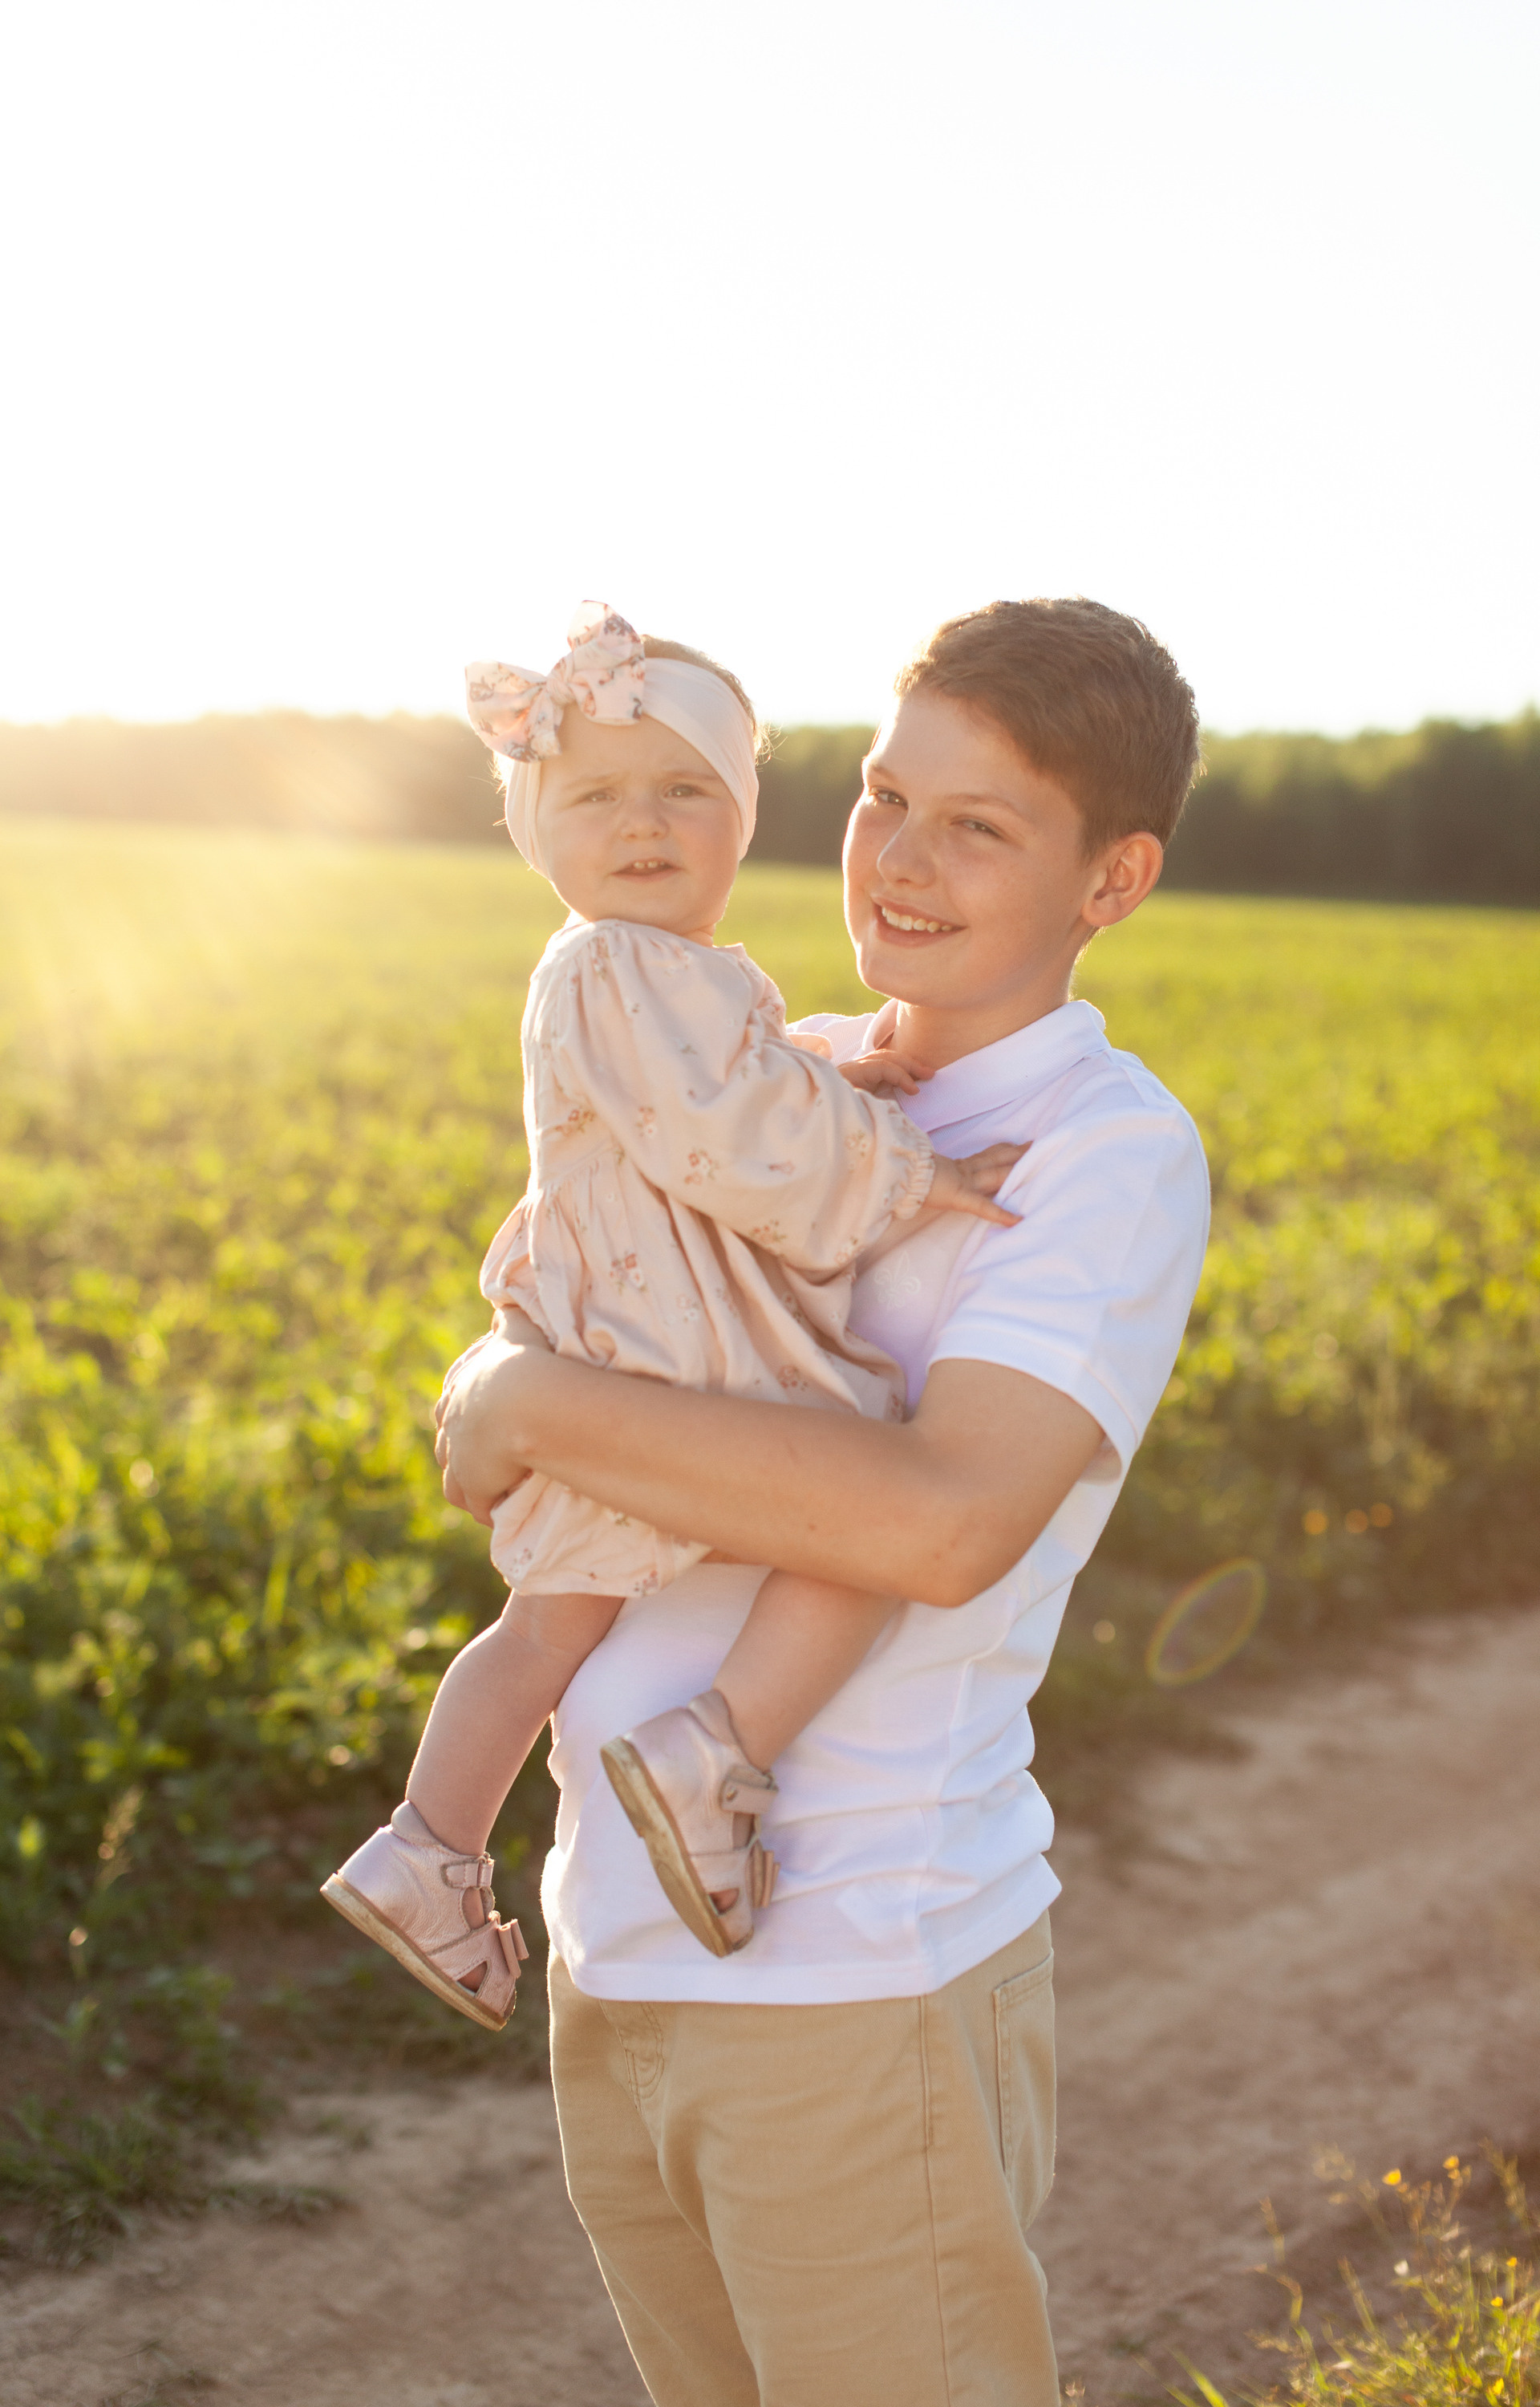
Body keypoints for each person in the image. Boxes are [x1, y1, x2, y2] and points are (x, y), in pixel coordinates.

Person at [435, 596, 1212, 2407]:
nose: (901, 862)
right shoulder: (781, 1084)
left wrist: (535, 1403)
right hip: (617, 1941)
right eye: (882, 797)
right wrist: (505, 1372)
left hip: (860, 1962)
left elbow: (938, 1522)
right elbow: (582, 1267)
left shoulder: (1100, 1155)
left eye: (981, 825)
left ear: (1113, 879)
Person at [321, 603, 1022, 2022]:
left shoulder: (668, 973)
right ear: (539, 832)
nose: (640, 824)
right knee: (873, 1486)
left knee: (548, 1624)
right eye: (592, 798)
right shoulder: (608, 963)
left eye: (683, 791)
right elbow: (726, 1135)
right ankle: (717, 1749)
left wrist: (835, 1088)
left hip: (633, 1341)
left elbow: (735, 1091)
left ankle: (431, 1848)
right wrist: (915, 1174)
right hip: (671, 1349)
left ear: (742, 818)